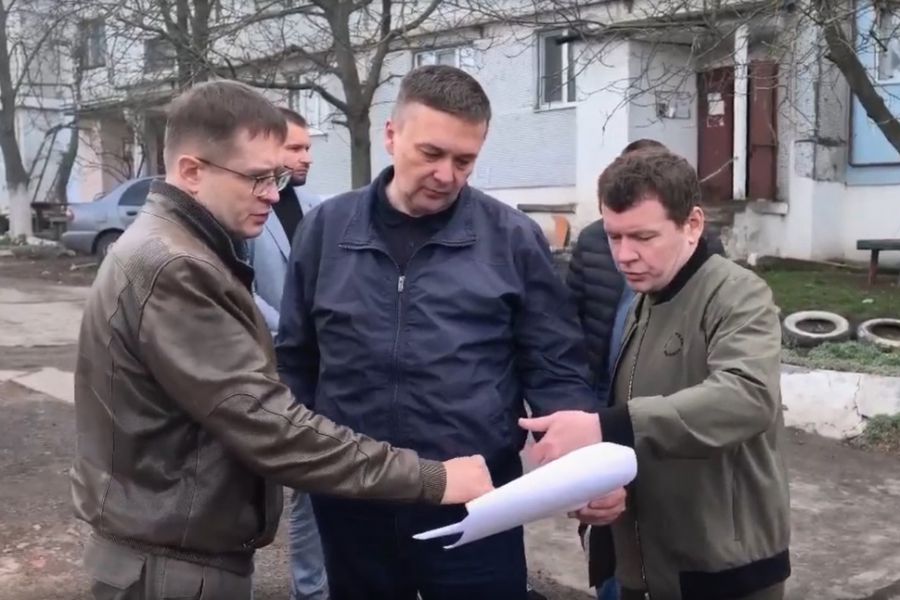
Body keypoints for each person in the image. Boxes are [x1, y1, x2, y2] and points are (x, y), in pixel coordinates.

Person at [71, 80, 493, 600]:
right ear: (192, 171)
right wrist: (433, 478)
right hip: (172, 566)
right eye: (256, 178)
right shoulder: (175, 266)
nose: (273, 194)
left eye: (276, 177)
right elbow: (266, 424)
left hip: (172, 552)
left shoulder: (176, 248)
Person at [276, 64, 599, 599]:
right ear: (391, 135)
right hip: (354, 500)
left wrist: (583, 465)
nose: (446, 175)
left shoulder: (513, 240)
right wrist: (306, 464)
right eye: (431, 153)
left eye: (464, 160)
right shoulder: (326, 230)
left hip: (476, 501)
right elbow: (296, 359)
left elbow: (555, 368)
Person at [522, 149, 791, 600]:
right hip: (643, 570)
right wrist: (601, 484)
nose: (624, 256)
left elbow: (748, 397)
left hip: (724, 572)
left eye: (644, 237)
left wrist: (605, 426)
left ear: (693, 224)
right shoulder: (641, 304)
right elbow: (642, 429)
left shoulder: (739, 294)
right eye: (614, 236)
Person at [246, 107, 327, 600]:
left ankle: (312, 591)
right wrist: (293, 329)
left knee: (313, 487)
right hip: (265, 365)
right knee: (250, 490)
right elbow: (238, 286)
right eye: (294, 148)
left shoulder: (319, 208)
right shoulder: (247, 208)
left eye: (308, 147)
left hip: (317, 371)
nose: (305, 157)